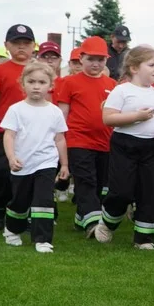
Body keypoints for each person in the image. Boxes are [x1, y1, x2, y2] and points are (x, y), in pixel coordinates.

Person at [96, 45, 154, 248]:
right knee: (121, 192)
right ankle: (107, 223)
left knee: (148, 192)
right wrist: (136, 117)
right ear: (133, 68)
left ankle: (144, 238)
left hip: (151, 147)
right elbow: (108, 118)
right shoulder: (121, 91)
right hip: (125, 145)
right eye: (151, 65)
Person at [0, 62, 69, 253]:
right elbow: (9, 135)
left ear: (50, 85)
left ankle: (43, 239)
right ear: (23, 84)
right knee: (20, 202)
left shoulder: (55, 111)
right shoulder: (16, 109)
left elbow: (60, 139)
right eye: (31, 81)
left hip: (46, 163)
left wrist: (64, 164)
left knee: (44, 200)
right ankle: (12, 230)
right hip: (22, 164)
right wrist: (11, 157)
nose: (36, 86)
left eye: (41, 82)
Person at [55, 36, 116, 237]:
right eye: (91, 59)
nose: (96, 64)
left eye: (101, 59)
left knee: (99, 184)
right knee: (85, 180)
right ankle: (93, 224)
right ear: (81, 58)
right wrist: (60, 139)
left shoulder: (112, 84)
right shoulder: (70, 82)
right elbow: (62, 113)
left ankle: (82, 217)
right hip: (77, 140)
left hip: (105, 142)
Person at [0, 25, 36, 231]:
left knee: (29, 175)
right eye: (16, 44)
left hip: (32, 133)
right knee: (1, 174)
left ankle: (23, 214)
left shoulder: (39, 70)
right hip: (6, 131)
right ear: (7, 46)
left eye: (26, 44)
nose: (21, 47)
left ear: (33, 46)